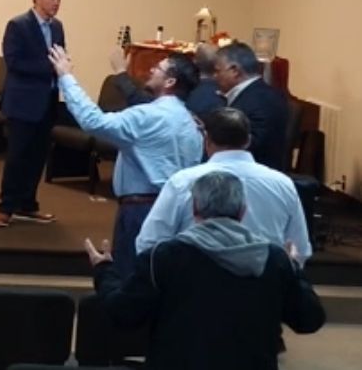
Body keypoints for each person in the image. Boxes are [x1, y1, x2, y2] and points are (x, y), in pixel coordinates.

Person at [87, 171, 325, 370]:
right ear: (242, 211)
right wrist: (296, 271)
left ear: (194, 208)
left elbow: (123, 312)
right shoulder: (275, 260)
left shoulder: (163, 257)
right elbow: (309, 320)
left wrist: (104, 270)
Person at [50, 46, 202, 278]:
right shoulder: (191, 124)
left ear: (170, 81)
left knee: (131, 278)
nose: (151, 69)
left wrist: (66, 77)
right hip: (175, 209)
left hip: (140, 210)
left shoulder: (148, 117)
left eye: (158, 68)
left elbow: (93, 121)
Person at [137, 107, 312, 265]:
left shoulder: (182, 182)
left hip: (194, 290)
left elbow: (150, 243)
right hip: (263, 292)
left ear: (206, 140)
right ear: (248, 141)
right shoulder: (282, 184)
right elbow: (299, 250)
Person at [0, 0, 66, 228]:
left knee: (38, 157)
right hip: (22, 102)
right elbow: (14, 62)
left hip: (47, 102)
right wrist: (51, 68)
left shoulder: (57, 27)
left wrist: (63, 67)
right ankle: (6, 207)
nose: (56, 3)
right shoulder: (18, 25)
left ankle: (28, 204)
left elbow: (60, 56)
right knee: (17, 156)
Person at [214, 42, 291, 171]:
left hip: (252, 178)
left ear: (234, 71)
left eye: (217, 71)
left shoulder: (263, 101)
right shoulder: (255, 93)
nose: (214, 77)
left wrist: (209, 134)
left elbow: (249, 145)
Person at [109, 42, 225, 118]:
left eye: (158, 68)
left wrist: (121, 71)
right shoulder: (223, 96)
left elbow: (141, 102)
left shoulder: (169, 108)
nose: (151, 70)